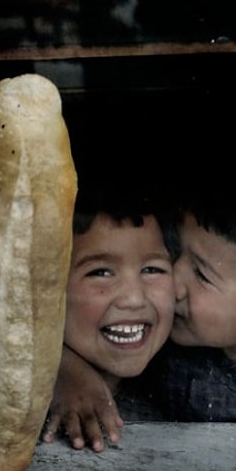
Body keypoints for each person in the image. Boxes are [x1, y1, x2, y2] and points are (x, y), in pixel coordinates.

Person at [43, 193, 236, 449]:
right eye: (176, 256)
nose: (173, 284)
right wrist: (65, 370)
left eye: (202, 274)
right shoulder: (163, 351)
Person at [41, 187, 176, 451]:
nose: (134, 298)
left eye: (152, 269)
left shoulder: (186, 385)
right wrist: (51, 367)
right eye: (101, 272)